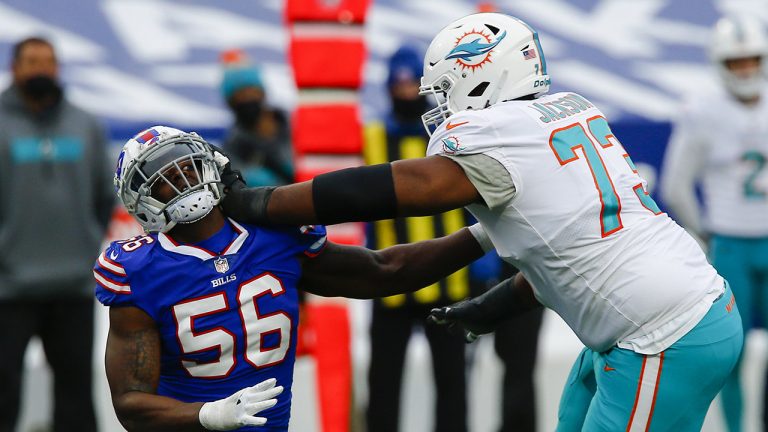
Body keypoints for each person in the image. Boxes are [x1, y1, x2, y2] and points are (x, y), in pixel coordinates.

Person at [220, 12, 744, 431]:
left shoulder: (493, 140)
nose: (439, 103)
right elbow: (563, 247)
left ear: (478, 76)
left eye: (444, 87)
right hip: (681, 307)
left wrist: (261, 204)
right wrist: (494, 305)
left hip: (660, 333)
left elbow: (391, 192)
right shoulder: (566, 112)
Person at [96, 126, 487, 431]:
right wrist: (206, 415)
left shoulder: (273, 237)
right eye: (164, 177)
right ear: (140, 199)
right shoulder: (139, 269)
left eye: (185, 166)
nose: (182, 180)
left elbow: (383, 271)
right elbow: (131, 402)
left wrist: (484, 237)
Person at [660, 16, 768, 432]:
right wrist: (704, 231)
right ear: (720, 64)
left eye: (752, 59)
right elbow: (676, 184)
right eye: (736, 61)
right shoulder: (702, 110)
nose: (745, 69)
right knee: (731, 354)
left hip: (743, 241)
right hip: (730, 243)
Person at [0, 36, 113, 432]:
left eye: (48, 61)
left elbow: (104, 196)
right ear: (14, 68)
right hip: (7, 291)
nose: (41, 69)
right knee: (2, 395)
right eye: (31, 61)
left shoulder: (85, 124)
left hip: (73, 287)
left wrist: (84, 247)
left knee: (76, 397)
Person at [365, 45, 471, 432]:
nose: (408, 93)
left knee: (453, 383)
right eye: (401, 85)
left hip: (449, 281)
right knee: (383, 383)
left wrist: (485, 267)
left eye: (413, 85)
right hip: (391, 281)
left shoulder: (449, 135)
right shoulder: (372, 137)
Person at [220, 50, 293, 187]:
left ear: (262, 93)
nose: (247, 99)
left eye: (251, 91)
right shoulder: (234, 145)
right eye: (240, 95)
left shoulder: (295, 126)